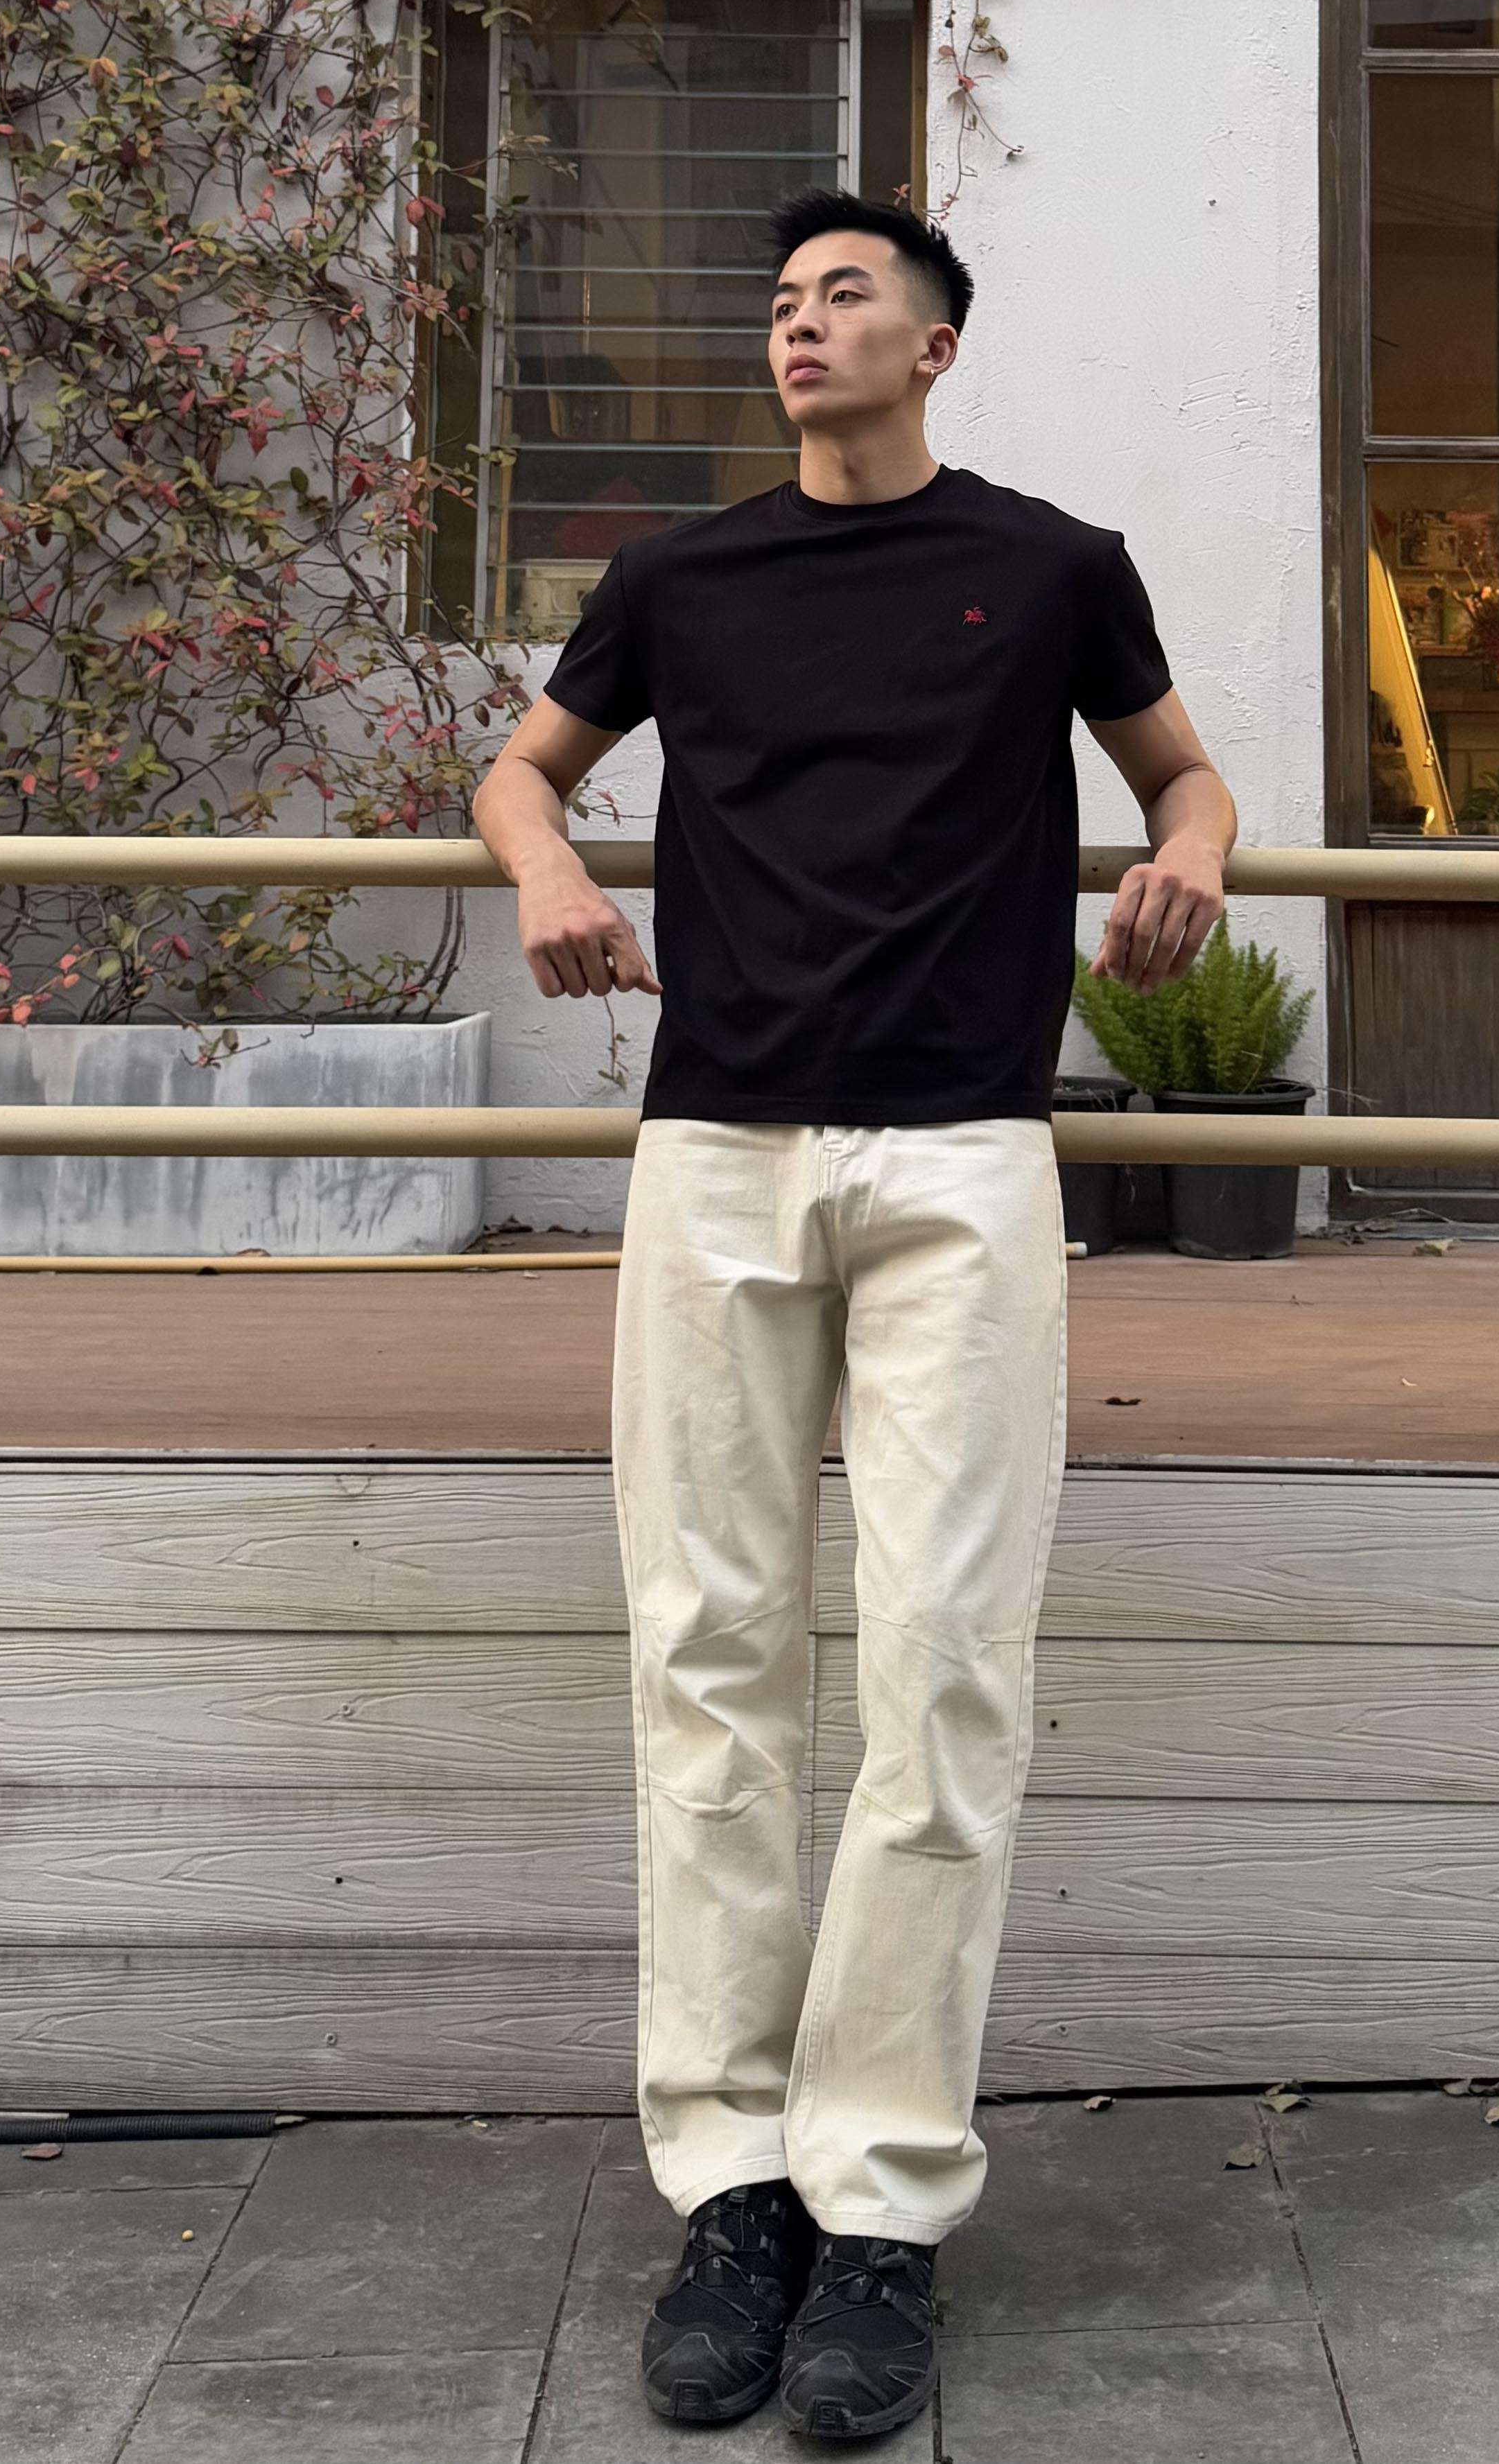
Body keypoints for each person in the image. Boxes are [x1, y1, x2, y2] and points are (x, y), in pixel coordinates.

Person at [471, 189, 1235, 2441]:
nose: (799, 325)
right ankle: (731, 2188)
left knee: (945, 1672)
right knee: (704, 1654)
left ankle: (879, 2198)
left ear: (935, 345)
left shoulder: (1053, 565)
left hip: (963, 1159)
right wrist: (544, 866)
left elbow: (1181, 769)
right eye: (784, 301)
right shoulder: (679, 576)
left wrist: (1193, 851)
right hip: (715, 1149)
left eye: (843, 298)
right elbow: (523, 763)